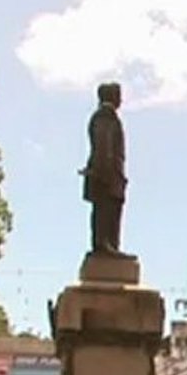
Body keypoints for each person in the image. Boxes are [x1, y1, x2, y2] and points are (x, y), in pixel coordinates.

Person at [81, 82, 127, 256]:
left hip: (110, 177)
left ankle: (110, 246)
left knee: (109, 212)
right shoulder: (104, 118)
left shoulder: (107, 117)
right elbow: (104, 147)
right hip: (107, 177)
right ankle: (104, 245)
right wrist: (106, 174)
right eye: (118, 95)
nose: (121, 99)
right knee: (105, 212)